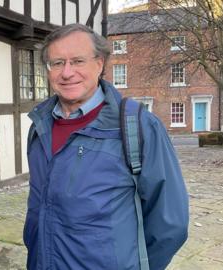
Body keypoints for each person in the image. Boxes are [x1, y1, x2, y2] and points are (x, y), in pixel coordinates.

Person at [23, 23, 189, 270]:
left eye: (78, 61)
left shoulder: (138, 125)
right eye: (57, 63)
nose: (67, 72)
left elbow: (170, 224)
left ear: (99, 64)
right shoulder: (40, 125)